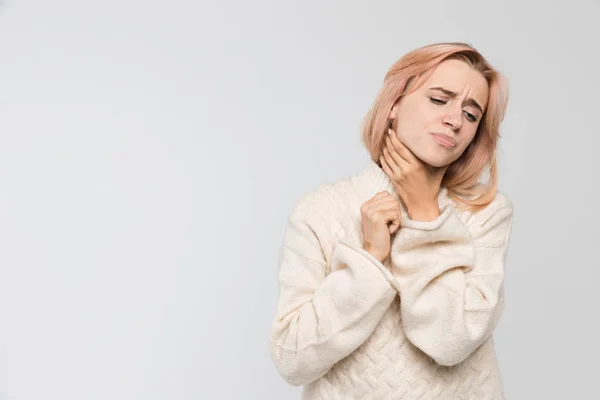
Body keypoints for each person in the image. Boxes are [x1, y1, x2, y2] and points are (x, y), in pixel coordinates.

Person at [268, 41, 514, 399]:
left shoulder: (485, 212)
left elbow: (450, 341)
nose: (455, 120)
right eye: (439, 99)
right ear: (395, 104)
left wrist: (425, 212)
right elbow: (292, 360)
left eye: (472, 114)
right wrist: (368, 261)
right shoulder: (322, 210)